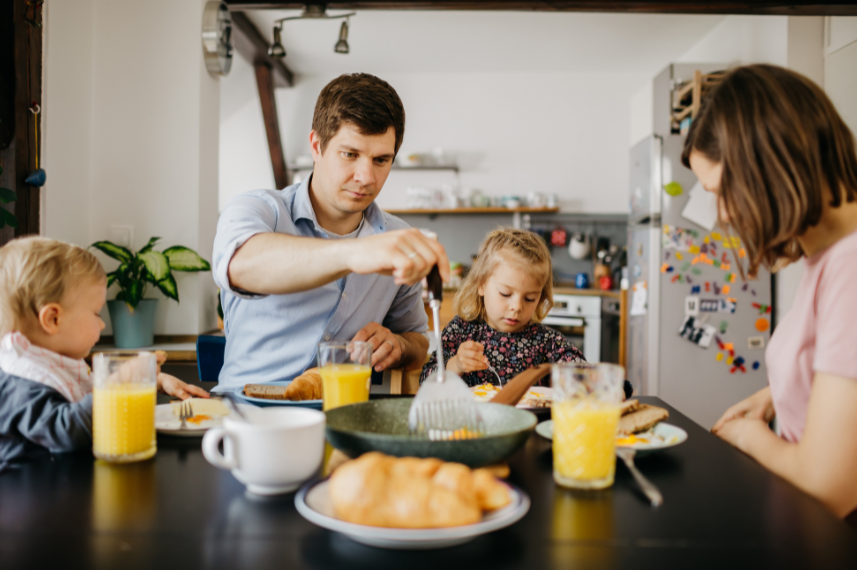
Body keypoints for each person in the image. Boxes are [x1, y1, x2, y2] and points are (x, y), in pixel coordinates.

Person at [683, 64, 857, 521]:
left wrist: (748, 437)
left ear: (766, 164)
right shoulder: (826, 256)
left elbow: (827, 488)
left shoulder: (851, 265)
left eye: (719, 191)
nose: (720, 214)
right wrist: (775, 394)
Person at [212, 73, 448, 392]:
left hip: (344, 418)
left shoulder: (395, 236)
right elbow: (241, 266)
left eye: (381, 160)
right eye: (350, 154)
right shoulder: (258, 210)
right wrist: (356, 253)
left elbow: (418, 341)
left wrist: (398, 345)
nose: (366, 176)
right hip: (248, 417)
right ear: (316, 146)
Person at [0, 237, 208, 466]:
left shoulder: (53, 362)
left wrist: (152, 379)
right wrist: (120, 381)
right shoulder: (19, 380)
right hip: (30, 493)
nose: (102, 325)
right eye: (96, 314)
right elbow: (66, 432)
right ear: (53, 319)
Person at [420, 228, 584, 387]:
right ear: (482, 284)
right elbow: (426, 381)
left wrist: (571, 380)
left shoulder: (546, 340)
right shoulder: (461, 331)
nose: (517, 307)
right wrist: (456, 365)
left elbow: (584, 374)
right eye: (505, 294)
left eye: (529, 298)